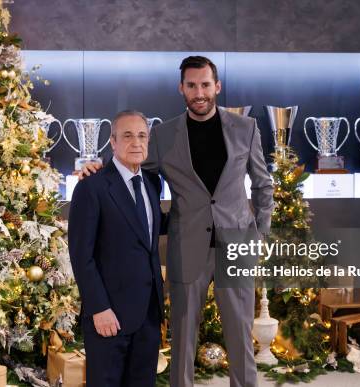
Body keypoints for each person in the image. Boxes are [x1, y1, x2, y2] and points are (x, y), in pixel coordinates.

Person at [80, 56, 274, 387]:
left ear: (217, 87)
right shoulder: (163, 135)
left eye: (205, 85)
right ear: (181, 88)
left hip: (237, 248)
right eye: (191, 85)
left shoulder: (246, 128)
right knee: (183, 340)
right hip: (187, 247)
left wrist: (259, 234)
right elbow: (133, 166)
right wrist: (97, 169)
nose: (199, 92)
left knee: (241, 339)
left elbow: (263, 184)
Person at [68, 110, 164, 387]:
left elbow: (146, 237)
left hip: (147, 314)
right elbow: (81, 255)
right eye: (128, 135)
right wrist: (99, 308)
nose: (136, 142)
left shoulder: (151, 183)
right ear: (112, 142)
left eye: (142, 136)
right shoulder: (92, 186)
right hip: (109, 316)